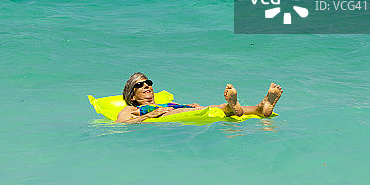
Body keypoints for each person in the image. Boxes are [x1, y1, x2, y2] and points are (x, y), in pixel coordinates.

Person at [116, 72, 283, 124]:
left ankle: (260, 107)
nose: (146, 86)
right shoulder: (132, 109)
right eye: (139, 85)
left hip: (179, 110)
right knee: (220, 109)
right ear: (132, 96)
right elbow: (122, 123)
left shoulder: (165, 102)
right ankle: (236, 107)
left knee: (219, 107)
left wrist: (188, 106)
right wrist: (149, 115)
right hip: (164, 115)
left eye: (148, 83)